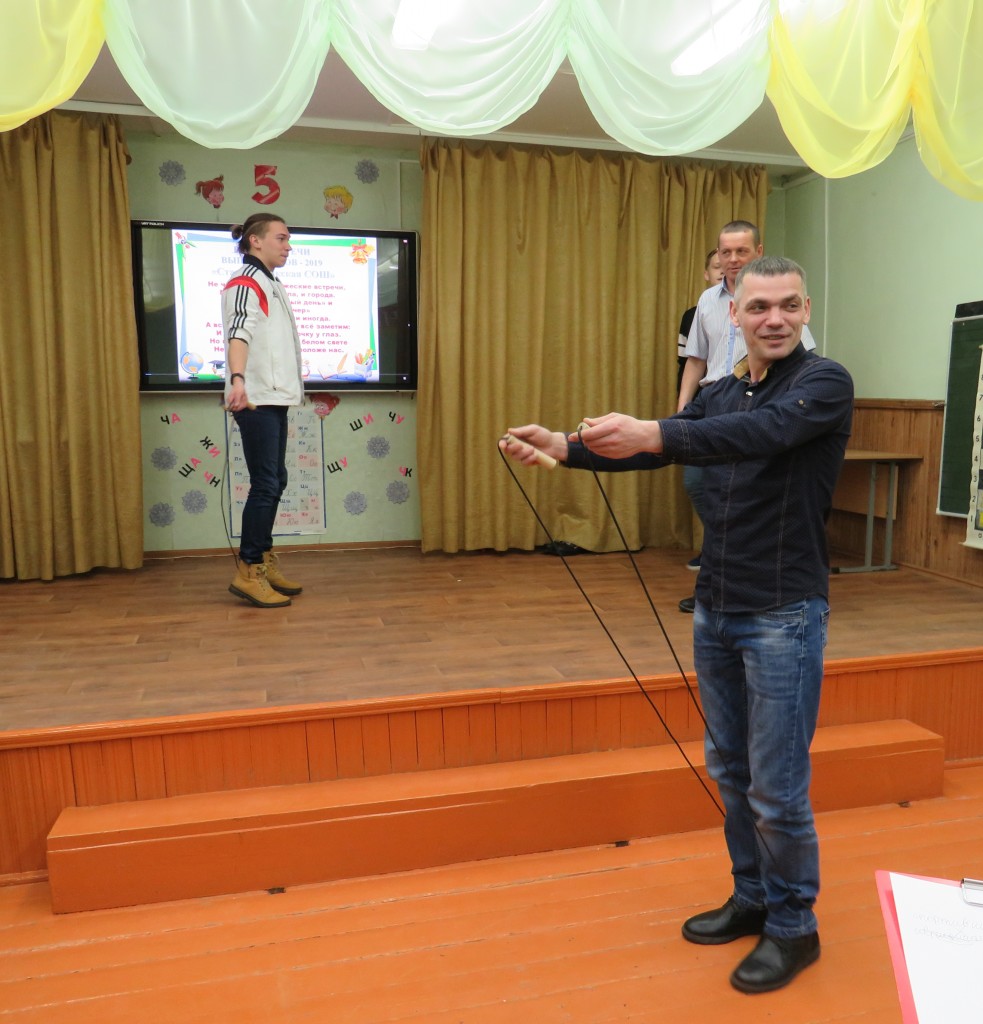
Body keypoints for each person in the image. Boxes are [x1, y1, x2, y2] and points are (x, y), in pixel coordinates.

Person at [500, 256, 854, 995]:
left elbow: (753, 435)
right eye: (759, 307)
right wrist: (564, 447)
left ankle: (794, 925)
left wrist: (654, 430)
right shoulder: (721, 390)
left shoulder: (823, 383)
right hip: (717, 606)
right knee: (730, 771)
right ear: (734, 315)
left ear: (805, 309)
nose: (775, 319)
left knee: (776, 787)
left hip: (783, 613)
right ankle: (752, 898)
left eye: (789, 305)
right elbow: (657, 447)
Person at [675, 221, 816, 615]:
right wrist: (681, 414)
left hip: (762, 409)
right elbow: (695, 359)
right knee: (701, 486)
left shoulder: (779, 302)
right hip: (714, 402)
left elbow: (801, 359)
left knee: (746, 499)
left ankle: (738, 574)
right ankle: (722, 571)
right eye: (726, 252)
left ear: (758, 252)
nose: (733, 259)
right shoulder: (708, 301)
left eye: (742, 251)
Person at [223, 214, 305, 608]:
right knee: (266, 484)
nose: (288, 246)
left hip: (274, 397)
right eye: (281, 238)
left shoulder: (272, 283)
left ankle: (263, 560)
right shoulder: (246, 281)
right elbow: (238, 332)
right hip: (255, 397)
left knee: (276, 480)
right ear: (255, 241)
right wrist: (238, 379)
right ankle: (249, 569)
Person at [675, 248, 724, 598]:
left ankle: (720, 556)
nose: (725, 268)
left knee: (731, 488)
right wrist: (682, 412)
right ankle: (721, 545)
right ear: (706, 273)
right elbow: (690, 364)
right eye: (718, 265)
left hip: (747, 406)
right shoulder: (701, 308)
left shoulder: (762, 306)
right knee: (695, 480)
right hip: (705, 407)